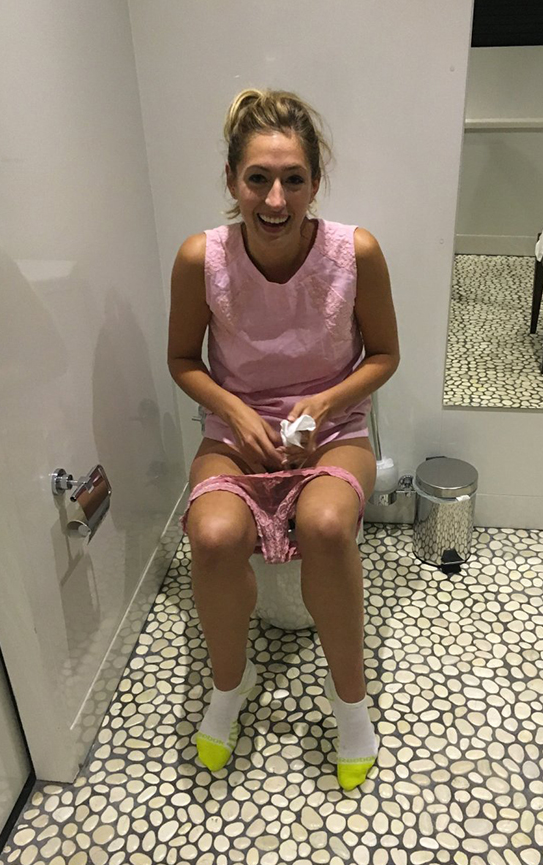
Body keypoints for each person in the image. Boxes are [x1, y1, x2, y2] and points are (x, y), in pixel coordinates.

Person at [168, 88, 399, 790]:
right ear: (232, 180)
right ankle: (229, 685)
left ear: (315, 183)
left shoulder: (355, 252)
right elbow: (182, 359)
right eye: (258, 178)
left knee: (325, 524)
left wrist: (324, 402)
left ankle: (350, 702)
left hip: (331, 429)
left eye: (293, 179)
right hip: (236, 430)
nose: (275, 199)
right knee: (211, 537)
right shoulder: (199, 258)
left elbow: (385, 354)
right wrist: (234, 411)